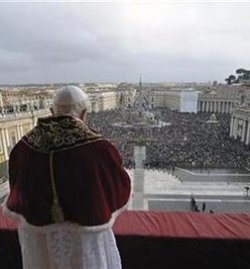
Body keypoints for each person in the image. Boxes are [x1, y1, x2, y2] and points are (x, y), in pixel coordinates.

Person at [3, 85, 131, 269]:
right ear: (84, 113)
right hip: (84, 240)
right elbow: (119, 188)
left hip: (40, 240)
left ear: (52, 111)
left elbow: (17, 193)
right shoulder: (100, 148)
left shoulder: (23, 148)